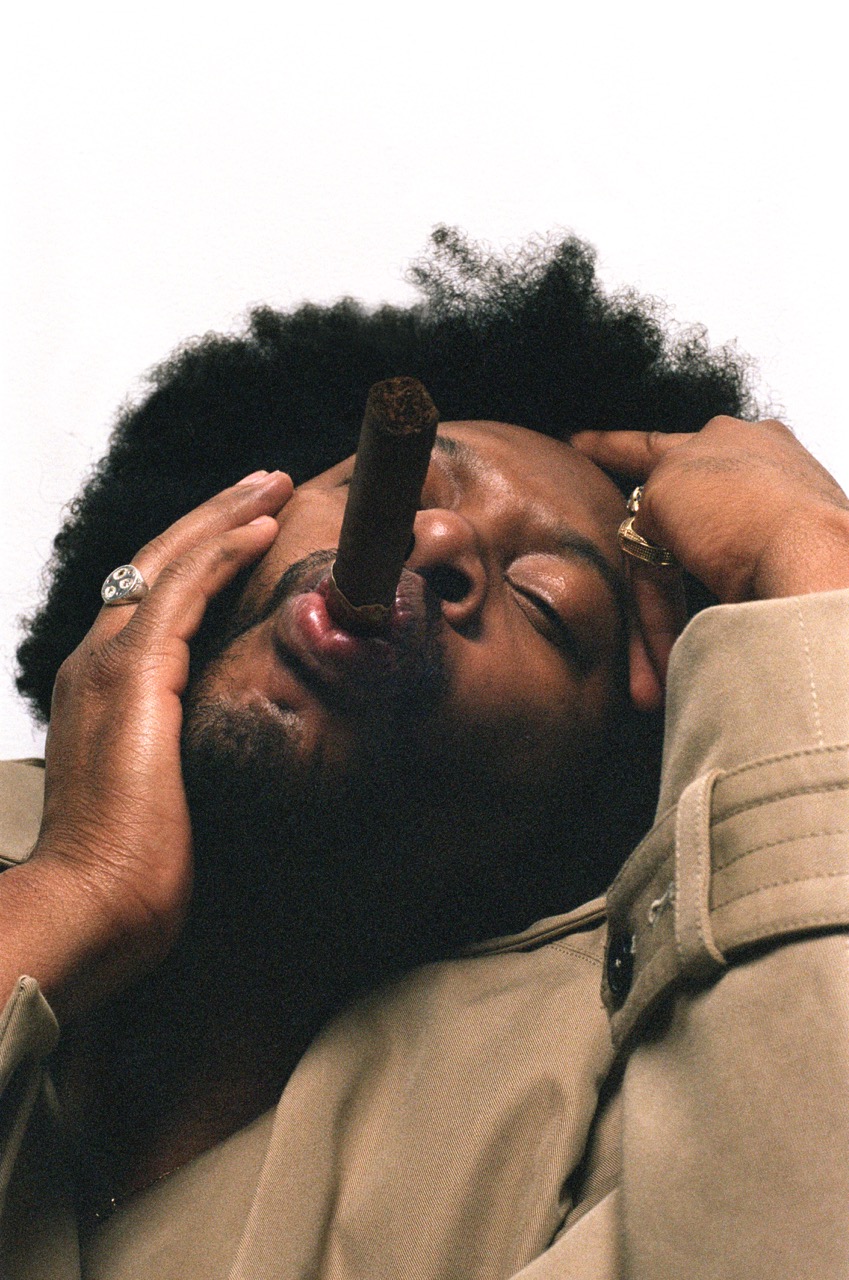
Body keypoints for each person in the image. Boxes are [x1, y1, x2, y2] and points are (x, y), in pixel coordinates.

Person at [1, 230, 847, 1278]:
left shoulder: (602, 1126)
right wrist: (73, 890)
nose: (439, 541)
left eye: (546, 603)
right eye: (400, 483)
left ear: (586, 816)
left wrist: (811, 562)